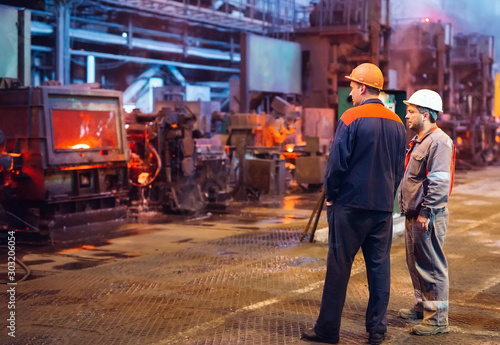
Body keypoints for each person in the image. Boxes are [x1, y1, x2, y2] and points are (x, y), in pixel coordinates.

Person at [301, 63, 407, 345]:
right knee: (379, 268)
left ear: (362, 87)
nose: (351, 91)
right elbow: (399, 168)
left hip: (350, 207)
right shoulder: (397, 123)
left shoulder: (351, 117)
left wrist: (331, 193)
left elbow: (337, 163)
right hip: (382, 208)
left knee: (338, 268)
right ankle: (376, 331)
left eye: (352, 86)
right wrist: (388, 196)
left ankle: (327, 331)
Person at [398, 89, 455, 336]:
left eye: (411, 111)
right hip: (414, 214)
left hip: (427, 216)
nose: (406, 115)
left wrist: (426, 213)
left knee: (431, 266)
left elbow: (439, 182)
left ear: (426, 113)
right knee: (416, 264)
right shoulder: (420, 140)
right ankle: (423, 307)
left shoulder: (440, 142)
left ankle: (437, 319)